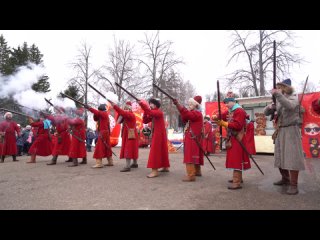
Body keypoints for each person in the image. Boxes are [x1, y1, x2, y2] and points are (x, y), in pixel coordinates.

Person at [264, 78, 305, 195]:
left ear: (286, 88)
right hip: (280, 130)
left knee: (292, 157)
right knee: (280, 156)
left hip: (291, 130)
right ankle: (285, 179)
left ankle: (294, 185)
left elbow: (290, 106)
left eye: (281, 87)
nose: (279, 89)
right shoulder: (279, 99)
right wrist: (270, 107)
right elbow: (266, 112)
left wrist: (277, 95)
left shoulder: (293, 97)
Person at [212, 91, 251, 190]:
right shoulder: (231, 111)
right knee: (235, 158)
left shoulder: (239, 111)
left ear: (232, 102)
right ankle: (238, 178)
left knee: (236, 159)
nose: (226, 105)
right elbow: (223, 115)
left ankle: (236, 182)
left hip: (238, 137)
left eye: (227, 103)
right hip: (233, 137)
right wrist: (217, 117)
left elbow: (238, 126)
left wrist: (224, 124)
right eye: (225, 103)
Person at [173, 96, 204, 181]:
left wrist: (178, 105)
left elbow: (186, 114)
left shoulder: (196, 113)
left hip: (192, 137)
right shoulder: (195, 113)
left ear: (196, 105)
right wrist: (182, 111)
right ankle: (197, 171)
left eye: (191, 104)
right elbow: (184, 119)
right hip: (193, 137)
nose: (189, 105)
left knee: (189, 155)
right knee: (195, 154)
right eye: (189, 104)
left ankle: (191, 175)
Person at [138, 98, 170, 178]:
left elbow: (149, 112)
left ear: (155, 105)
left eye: (151, 103)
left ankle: (154, 171)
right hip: (159, 133)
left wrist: (142, 105)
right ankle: (165, 167)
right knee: (162, 150)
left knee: (155, 152)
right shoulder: (153, 112)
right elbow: (145, 121)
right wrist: (145, 110)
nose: (150, 105)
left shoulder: (158, 112)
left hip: (158, 134)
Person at [111, 101, 139, 172]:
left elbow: (122, 113)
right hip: (128, 134)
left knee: (128, 149)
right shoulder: (126, 115)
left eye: (126, 108)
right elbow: (118, 121)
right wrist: (121, 114)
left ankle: (127, 166)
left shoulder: (130, 115)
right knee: (132, 148)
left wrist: (115, 106)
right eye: (124, 108)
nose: (125, 109)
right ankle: (135, 163)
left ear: (130, 109)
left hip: (130, 134)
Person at [87, 104, 113, 168]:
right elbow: (95, 119)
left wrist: (89, 108)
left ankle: (99, 163)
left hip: (103, 132)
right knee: (107, 147)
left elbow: (97, 113)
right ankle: (110, 162)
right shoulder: (103, 114)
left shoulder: (103, 113)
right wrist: (94, 112)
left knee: (99, 147)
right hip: (105, 132)